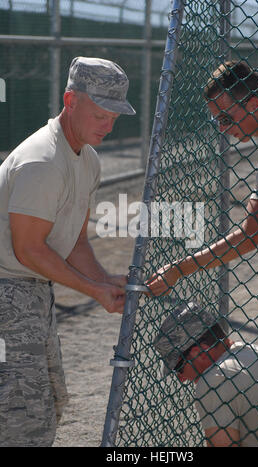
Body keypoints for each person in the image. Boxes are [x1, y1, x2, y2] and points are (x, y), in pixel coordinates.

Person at [0, 56, 136, 447]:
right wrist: (93, 290)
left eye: (115, 117)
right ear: (70, 100)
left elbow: (75, 241)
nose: (108, 126)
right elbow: (28, 250)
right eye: (100, 115)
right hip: (8, 290)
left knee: (50, 401)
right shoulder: (43, 160)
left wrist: (105, 280)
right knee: (24, 417)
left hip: (32, 291)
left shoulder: (87, 159)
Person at [147, 60, 258, 335]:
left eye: (226, 118)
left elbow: (247, 238)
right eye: (216, 119)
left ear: (253, 104)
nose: (221, 127)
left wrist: (178, 270)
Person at [153, 301, 258, 447]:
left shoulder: (215, 380)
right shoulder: (257, 353)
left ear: (201, 353)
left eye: (179, 368)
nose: (181, 378)